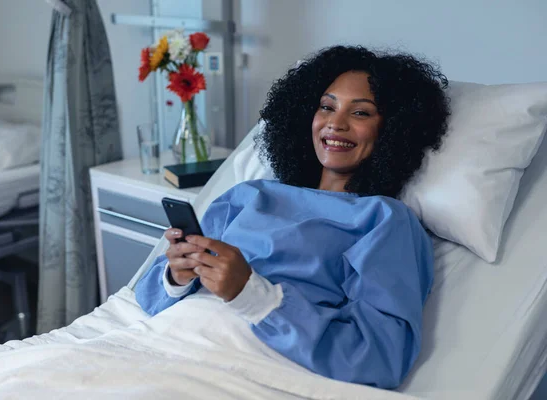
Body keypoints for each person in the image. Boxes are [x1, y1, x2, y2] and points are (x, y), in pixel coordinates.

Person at [135, 45, 450, 389]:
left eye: (360, 114)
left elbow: (379, 357)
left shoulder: (384, 221)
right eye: (327, 107)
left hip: (248, 370)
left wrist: (253, 295)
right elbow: (148, 297)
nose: (336, 123)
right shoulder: (249, 195)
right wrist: (176, 274)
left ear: (392, 130)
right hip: (168, 347)